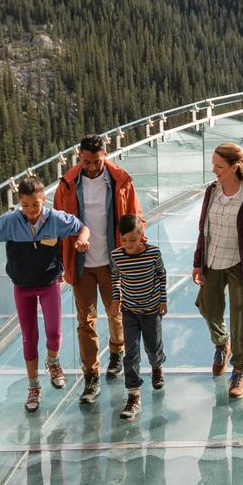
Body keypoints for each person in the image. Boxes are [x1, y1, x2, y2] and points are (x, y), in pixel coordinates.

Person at [0, 175, 87, 413]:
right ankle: (33, 387)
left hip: (48, 284)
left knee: (54, 332)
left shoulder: (56, 220)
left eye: (35, 205)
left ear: (43, 200)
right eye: (25, 205)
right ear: (19, 202)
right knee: (29, 338)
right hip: (22, 287)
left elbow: (81, 227)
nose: (30, 210)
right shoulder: (9, 222)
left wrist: (83, 241)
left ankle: (53, 362)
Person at [53, 134, 144, 405]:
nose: (91, 166)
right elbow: (58, 225)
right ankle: (91, 376)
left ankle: (116, 350)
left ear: (105, 155)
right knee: (85, 322)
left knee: (116, 312)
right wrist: (59, 263)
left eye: (95, 161)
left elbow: (136, 219)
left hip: (112, 261)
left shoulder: (121, 182)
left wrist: (137, 255)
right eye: (85, 161)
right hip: (81, 265)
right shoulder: (67, 184)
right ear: (79, 157)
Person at [193, 141, 243, 399]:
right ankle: (221, 344)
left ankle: (239, 370)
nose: (215, 170)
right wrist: (198, 262)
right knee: (208, 308)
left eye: (219, 166)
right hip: (213, 261)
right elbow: (202, 229)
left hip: (241, 264)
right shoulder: (211, 191)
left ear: (233, 167)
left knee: (241, 318)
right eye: (214, 166)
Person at [112, 213, 168, 421]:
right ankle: (133, 395)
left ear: (142, 235)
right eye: (124, 240)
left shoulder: (153, 253)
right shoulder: (117, 256)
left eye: (133, 240)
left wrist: (163, 300)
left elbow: (161, 276)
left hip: (151, 310)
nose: (128, 245)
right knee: (131, 353)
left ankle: (157, 366)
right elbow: (115, 277)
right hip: (130, 312)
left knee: (153, 348)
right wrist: (116, 299)